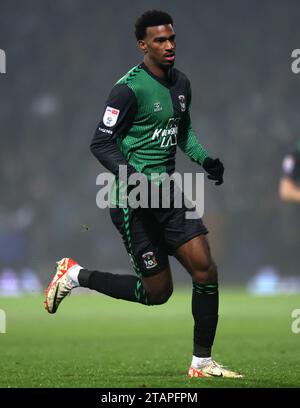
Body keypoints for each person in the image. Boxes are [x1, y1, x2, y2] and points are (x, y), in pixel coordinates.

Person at [44, 10, 242, 379]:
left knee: (205, 268)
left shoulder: (181, 83)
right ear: (143, 45)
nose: (169, 46)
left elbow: (183, 134)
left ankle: (202, 363)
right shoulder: (128, 89)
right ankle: (74, 276)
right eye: (160, 41)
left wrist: (206, 160)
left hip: (167, 194)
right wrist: (135, 178)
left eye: (172, 39)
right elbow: (100, 143)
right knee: (157, 293)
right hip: (131, 200)